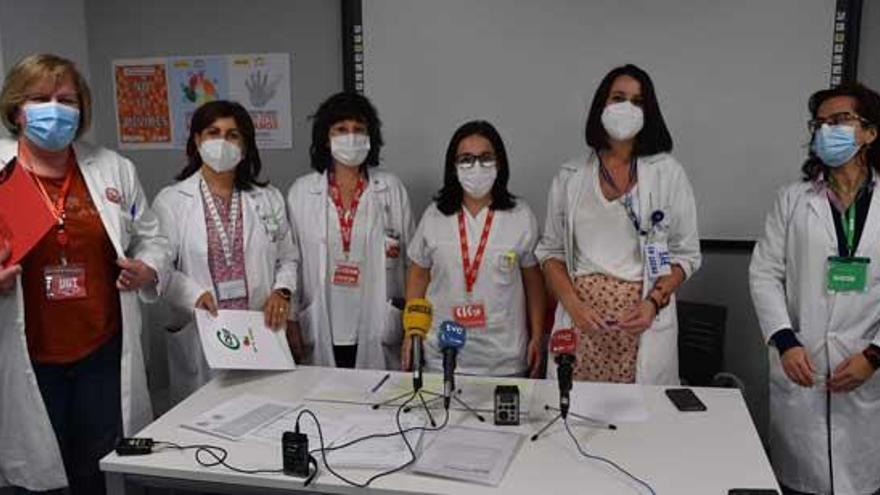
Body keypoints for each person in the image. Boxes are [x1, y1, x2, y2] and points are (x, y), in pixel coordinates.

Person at [0, 54, 170, 494]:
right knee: (35, 475)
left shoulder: (113, 168)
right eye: (39, 98)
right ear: (17, 109)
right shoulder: (2, 171)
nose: (54, 109)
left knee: (97, 468)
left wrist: (147, 264)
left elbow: (152, 237)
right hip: (27, 356)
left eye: (66, 99)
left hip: (100, 351)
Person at [750, 82, 880, 495]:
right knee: (798, 484)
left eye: (840, 121)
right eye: (819, 124)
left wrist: (875, 356)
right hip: (801, 366)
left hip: (865, 369)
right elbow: (764, 273)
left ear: (870, 133)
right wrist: (785, 341)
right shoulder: (792, 200)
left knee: (859, 483)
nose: (827, 131)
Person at [536, 64, 701, 384]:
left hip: (642, 325)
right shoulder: (570, 176)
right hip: (582, 323)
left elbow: (686, 254)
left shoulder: (668, 173)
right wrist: (573, 306)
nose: (627, 108)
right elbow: (551, 252)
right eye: (618, 98)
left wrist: (653, 303)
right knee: (577, 417)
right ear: (602, 106)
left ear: (649, 112)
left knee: (639, 423)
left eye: (637, 102)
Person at [153, 100, 300, 405]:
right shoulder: (172, 201)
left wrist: (282, 291)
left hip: (259, 327)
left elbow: (288, 257)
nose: (222, 141)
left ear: (244, 144)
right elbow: (160, 270)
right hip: (204, 330)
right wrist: (192, 293)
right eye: (213, 132)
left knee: (263, 412)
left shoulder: (268, 198)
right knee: (204, 420)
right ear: (197, 140)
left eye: (232, 135)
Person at [404, 120, 545, 377]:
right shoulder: (435, 215)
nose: (476, 166)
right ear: (453, 167)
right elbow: (418, 273)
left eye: (485, 158)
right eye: (466, 159)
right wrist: (411, 333)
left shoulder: (520, 215)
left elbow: (534, 282)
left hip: (504, 358)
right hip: (441, 355)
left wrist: (537, 336)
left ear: (499, 163)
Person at [287, 92, 413, 369]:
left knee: (375, 402)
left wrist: (412, 322)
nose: (351, 137)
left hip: (379, 321)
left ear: (371, 137)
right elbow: (290, 263)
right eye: (341, 130)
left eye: (359, 130)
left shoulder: (390, 189)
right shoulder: (301, 193)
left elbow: (410, 263)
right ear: (326, 137)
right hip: (322, 321)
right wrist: (292, 318)